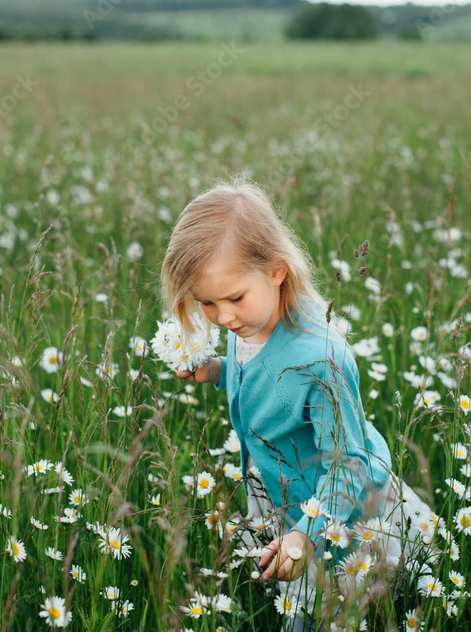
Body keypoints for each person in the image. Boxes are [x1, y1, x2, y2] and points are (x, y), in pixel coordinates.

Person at [160, 178, 432, 628]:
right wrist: (215, 372)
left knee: (339, 607)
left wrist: (307, 534)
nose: (223, 317)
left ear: (276, 271)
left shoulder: (321, 359)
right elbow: (262, 379)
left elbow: (348, 464)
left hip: (336, 508)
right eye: (207, 303)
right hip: (288, 495)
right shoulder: (248, 327)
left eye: (234, 299)